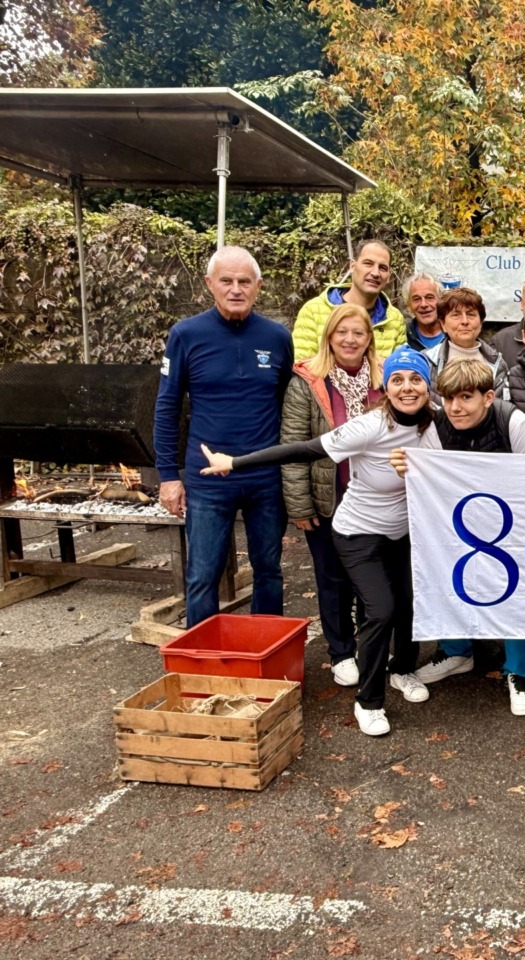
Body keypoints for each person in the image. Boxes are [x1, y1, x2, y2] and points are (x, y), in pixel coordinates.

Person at [199, 346, 437, 737]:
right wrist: (235, 462)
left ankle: (403, 671)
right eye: (397, 380)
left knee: (411, 605)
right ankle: (369, 700)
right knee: (381, 610)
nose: (407, 388)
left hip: (406, 531)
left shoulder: (434, 423)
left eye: (416, 380)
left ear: (427, 387)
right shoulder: (370, 426)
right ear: (386, 386)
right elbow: (304, 449)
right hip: (359, 532)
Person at [396, 360, 525, 716]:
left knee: (515, 589)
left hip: (513, 520)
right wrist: (407, 468)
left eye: (465, 398)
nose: (455, 408)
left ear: (489, 396)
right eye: (448, 399)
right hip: (459, 521)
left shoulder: (513, 421)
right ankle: (456, 650)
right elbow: (429, 477)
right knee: (451, 576)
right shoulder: (438, 426)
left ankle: (520, 671)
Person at [154, 246, 293, 628]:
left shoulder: (277, 337)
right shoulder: (186, 335)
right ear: (209, 285)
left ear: (258, 286)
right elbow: (166, 408)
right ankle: (203, 661)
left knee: (269, 570)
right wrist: (168, 475)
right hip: (208, 481)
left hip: (265, 477)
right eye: (226, 281)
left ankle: (265, 653)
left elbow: (288, 405)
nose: (235, 289)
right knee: (202, 576)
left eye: (244, 281)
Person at [280, 303, 383, 688]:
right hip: (329, 495)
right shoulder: (308, 382)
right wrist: (300, 504)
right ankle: (341, 651)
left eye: (358, 332)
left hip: (375, 497)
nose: (350, 339)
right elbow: (293, 446)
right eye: (342, 332)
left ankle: (371, 643)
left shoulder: (385, 378)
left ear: (369, 338)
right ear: (329, 337)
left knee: (373, 575)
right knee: (332, 577)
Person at [292, 240, 405, 360]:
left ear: (389, 276)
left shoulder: (394, 319)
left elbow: (400, 372)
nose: (375, 273)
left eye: (382, 268)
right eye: (368, 263)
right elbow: (302, 368)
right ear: (352, 266)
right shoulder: (314, 311)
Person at [424, 287, 510, 402]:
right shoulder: (427, 361)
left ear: (481, 323)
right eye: (456, 315)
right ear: (443, 324)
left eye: (470, 314)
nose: (465, 321)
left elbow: (500, 411)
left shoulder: (498, 364)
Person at [403, 272, 446, 353]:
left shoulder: (454, 334)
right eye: (416, 299)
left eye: (429, 297)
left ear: (441, 301)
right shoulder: (403, 338)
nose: (423, 304)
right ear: (409, 305)